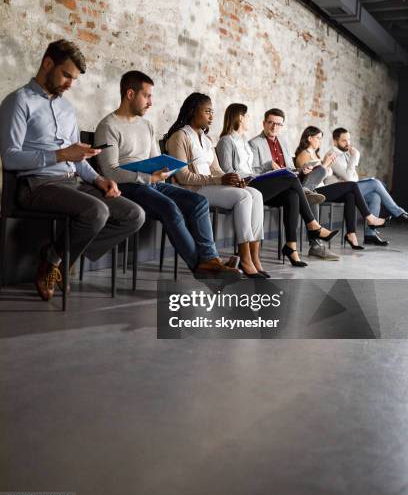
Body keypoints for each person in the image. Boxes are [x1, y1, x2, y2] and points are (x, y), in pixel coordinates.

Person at [0, 39, 144, 301]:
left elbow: (77, 159)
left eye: (74, 79)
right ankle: (58, 260)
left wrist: (99, 178)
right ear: (47, 63)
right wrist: (61, 154)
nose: (69, 83)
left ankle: (57, 256)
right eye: (66, 74)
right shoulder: (18, 101)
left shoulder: (67, 109)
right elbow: (10, 158)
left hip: (73, 182)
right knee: (97, 211)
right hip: (37, 185)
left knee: (133, 214)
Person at [94, 71, 239, 278]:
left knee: (198, 202)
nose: (151, 102)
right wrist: (147, 178)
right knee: (170, 208)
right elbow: (111, 172)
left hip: (151, 183)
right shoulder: (108, 126)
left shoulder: (147, 125)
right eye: (147, 96)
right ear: (130, 94)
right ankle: (201, 267)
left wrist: (164, 170)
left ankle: (209, 260)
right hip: (127, 187)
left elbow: (155, 160)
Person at [164, 93, 268, 278]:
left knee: (255, 194)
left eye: (212, 112)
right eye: (207, 111)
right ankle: (244, 257)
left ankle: (254, 256)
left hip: (211, 186)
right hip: (193, 190)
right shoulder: (179, 137)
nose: (211, 116)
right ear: (193, 111)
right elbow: (183, 176)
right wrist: (218, 180)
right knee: (243, 197)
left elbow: (217, 170)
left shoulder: (207, 140)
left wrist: (233, 179)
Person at [248, 108, 339, 261]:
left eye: (278, 124)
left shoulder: (283, 142)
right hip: (266, 188)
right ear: (264, 123)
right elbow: (252, 173)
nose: (274, 127)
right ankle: (314, 226)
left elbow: (290, 168)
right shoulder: (254, 143)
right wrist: (269, 165)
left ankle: (291, 247)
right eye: (271, 123)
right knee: (301, 189)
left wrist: (302, 170)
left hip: (287, 185)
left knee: (296, 193)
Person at [294, 126, 386, 249]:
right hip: (312, 191)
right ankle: (370, 218)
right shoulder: (303, 154)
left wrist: (326, 166)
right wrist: (325, 165)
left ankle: (351, 235)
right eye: (318, 138)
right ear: (309, 138)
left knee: (351, 195)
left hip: (321, 188)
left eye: (321, 139)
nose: (320, 141)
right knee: (352, 185)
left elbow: (324, 174)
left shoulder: (315, 155)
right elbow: (309, 178)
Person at [327, 127, 408, 246]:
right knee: (375, 184)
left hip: (349, 189)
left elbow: (354, 178)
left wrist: (351, 161)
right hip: (338, 192)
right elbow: (350, 179)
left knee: (375, 196)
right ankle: (398, 213)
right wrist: (355, 157)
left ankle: (370, 235)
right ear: (335, 141)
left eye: (349, 140)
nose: (348, 143)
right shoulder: (332, 155)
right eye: (344, 141)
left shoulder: (345, 155)